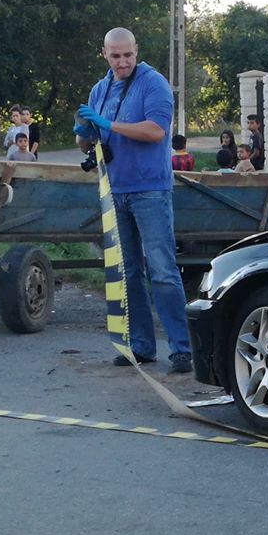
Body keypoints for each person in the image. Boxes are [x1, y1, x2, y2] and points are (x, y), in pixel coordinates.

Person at [76, 27, 192, 373]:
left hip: (150, 189)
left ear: (136, 51)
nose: (123, 61)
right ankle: (141, 346)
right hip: (114, 190)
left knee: (163, 270)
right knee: (128, 272)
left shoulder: (154, 83)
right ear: (105, 54)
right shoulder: (99, 89)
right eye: (116, 56)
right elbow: (86, 144)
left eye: (128, 54)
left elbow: (156, 131)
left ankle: (182, 349)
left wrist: (108, 123)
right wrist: (83, 131)